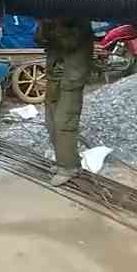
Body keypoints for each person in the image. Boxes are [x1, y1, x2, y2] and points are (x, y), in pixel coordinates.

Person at [35, 17, 94, 186]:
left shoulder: (78, 20)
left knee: (64, 121)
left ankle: (69, 167)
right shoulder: (53, 19)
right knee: (51, 120)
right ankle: (63, 161)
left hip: (72, 79)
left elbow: (70, 43)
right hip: (55, 74)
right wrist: (44, 25)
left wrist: (55, 25)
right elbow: (39, 40)